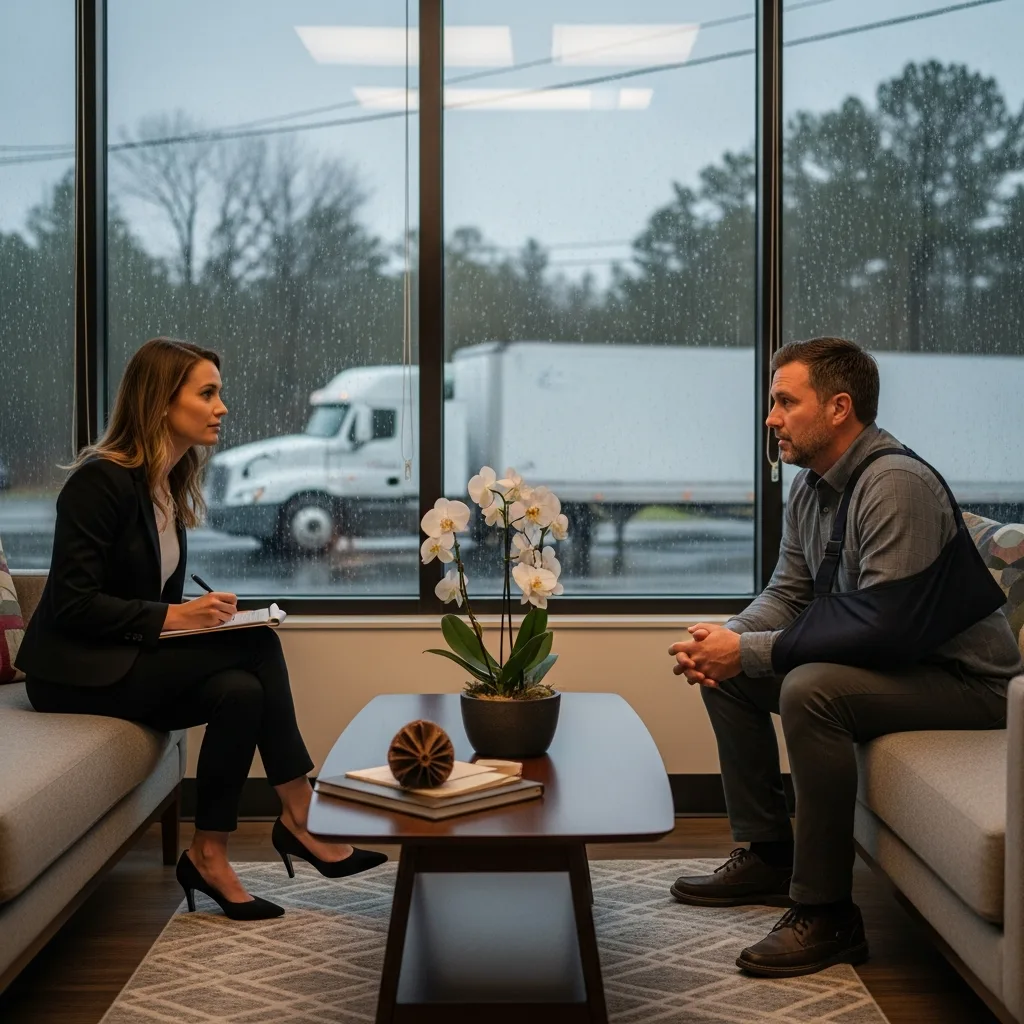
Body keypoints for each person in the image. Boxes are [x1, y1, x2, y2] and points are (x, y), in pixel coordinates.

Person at [667, 337, 1022, 977]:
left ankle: (828, 914)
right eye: (771, 402)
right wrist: (722, 641)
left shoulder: (895, 484)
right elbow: (789, 592)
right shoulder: (812, 487)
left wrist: (746, 651)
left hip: (969, 685)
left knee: (811, 689)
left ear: (838, 407)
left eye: (783, 401)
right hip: (906, 666)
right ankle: (770, 855)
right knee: (731, 674)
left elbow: (885, 627)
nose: (770, 417)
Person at [17, 337, 386, 921]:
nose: (222, 407)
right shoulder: (99, 483)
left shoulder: (166, 483)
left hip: (125, 657)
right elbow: (74, 606)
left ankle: (209, 854)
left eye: (219, 393)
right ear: (161, 401)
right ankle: (301, 815)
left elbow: (142, 591)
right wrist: (175, 617)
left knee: (241, 691)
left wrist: (203, 611)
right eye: (207, 393)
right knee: (259, 642)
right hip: (72, 673)